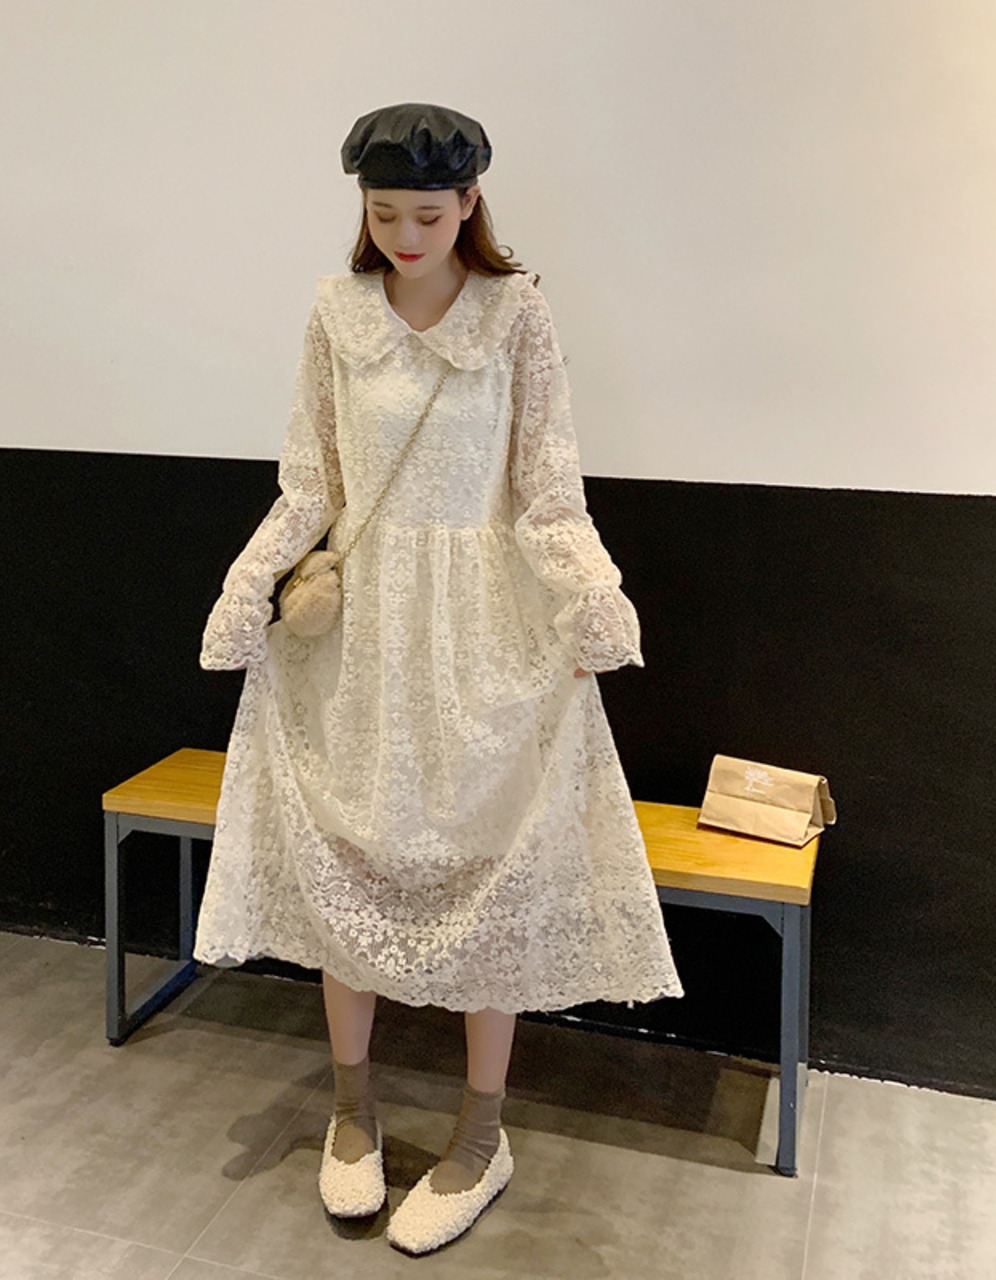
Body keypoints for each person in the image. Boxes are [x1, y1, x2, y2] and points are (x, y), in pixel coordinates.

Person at [195, 101, 682, 1255]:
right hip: (359, 636)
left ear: (469, 203)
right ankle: (350, 1109)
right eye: (383, 214)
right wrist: (246, 583)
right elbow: (309, 484)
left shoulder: (517, 314)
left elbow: (546, 488)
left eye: (426, 213)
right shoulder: (335, 312)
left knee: (484, 873)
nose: (405, 236)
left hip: (482, 635)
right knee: (350, 865)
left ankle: (480, 1133)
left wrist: (590, 592)